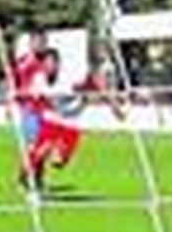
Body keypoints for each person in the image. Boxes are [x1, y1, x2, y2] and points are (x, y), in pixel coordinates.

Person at [21, 49, 126, 191]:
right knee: (39, 152)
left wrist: (116, 109)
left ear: (58, 64)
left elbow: (99, 90)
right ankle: (26, 177)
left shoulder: (70, 79)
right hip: (51, 121)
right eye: (47, 63)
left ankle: (35, 173)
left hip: (71, 125)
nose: (49, 66)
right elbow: (31, 96)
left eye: (53, 62)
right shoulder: (39, 79)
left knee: (58, 162)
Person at [10, 27, 52, 175]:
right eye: (38, 42)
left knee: (45, 147)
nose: (41, 45)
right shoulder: (24, 63)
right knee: (33, 147)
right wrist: (12, 102)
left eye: (44, 42)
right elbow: (14, 86)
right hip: (29, 110)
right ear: (31, 43)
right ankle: (24, 176)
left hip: (45, 111)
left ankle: (38, 178)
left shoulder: (48, 62)